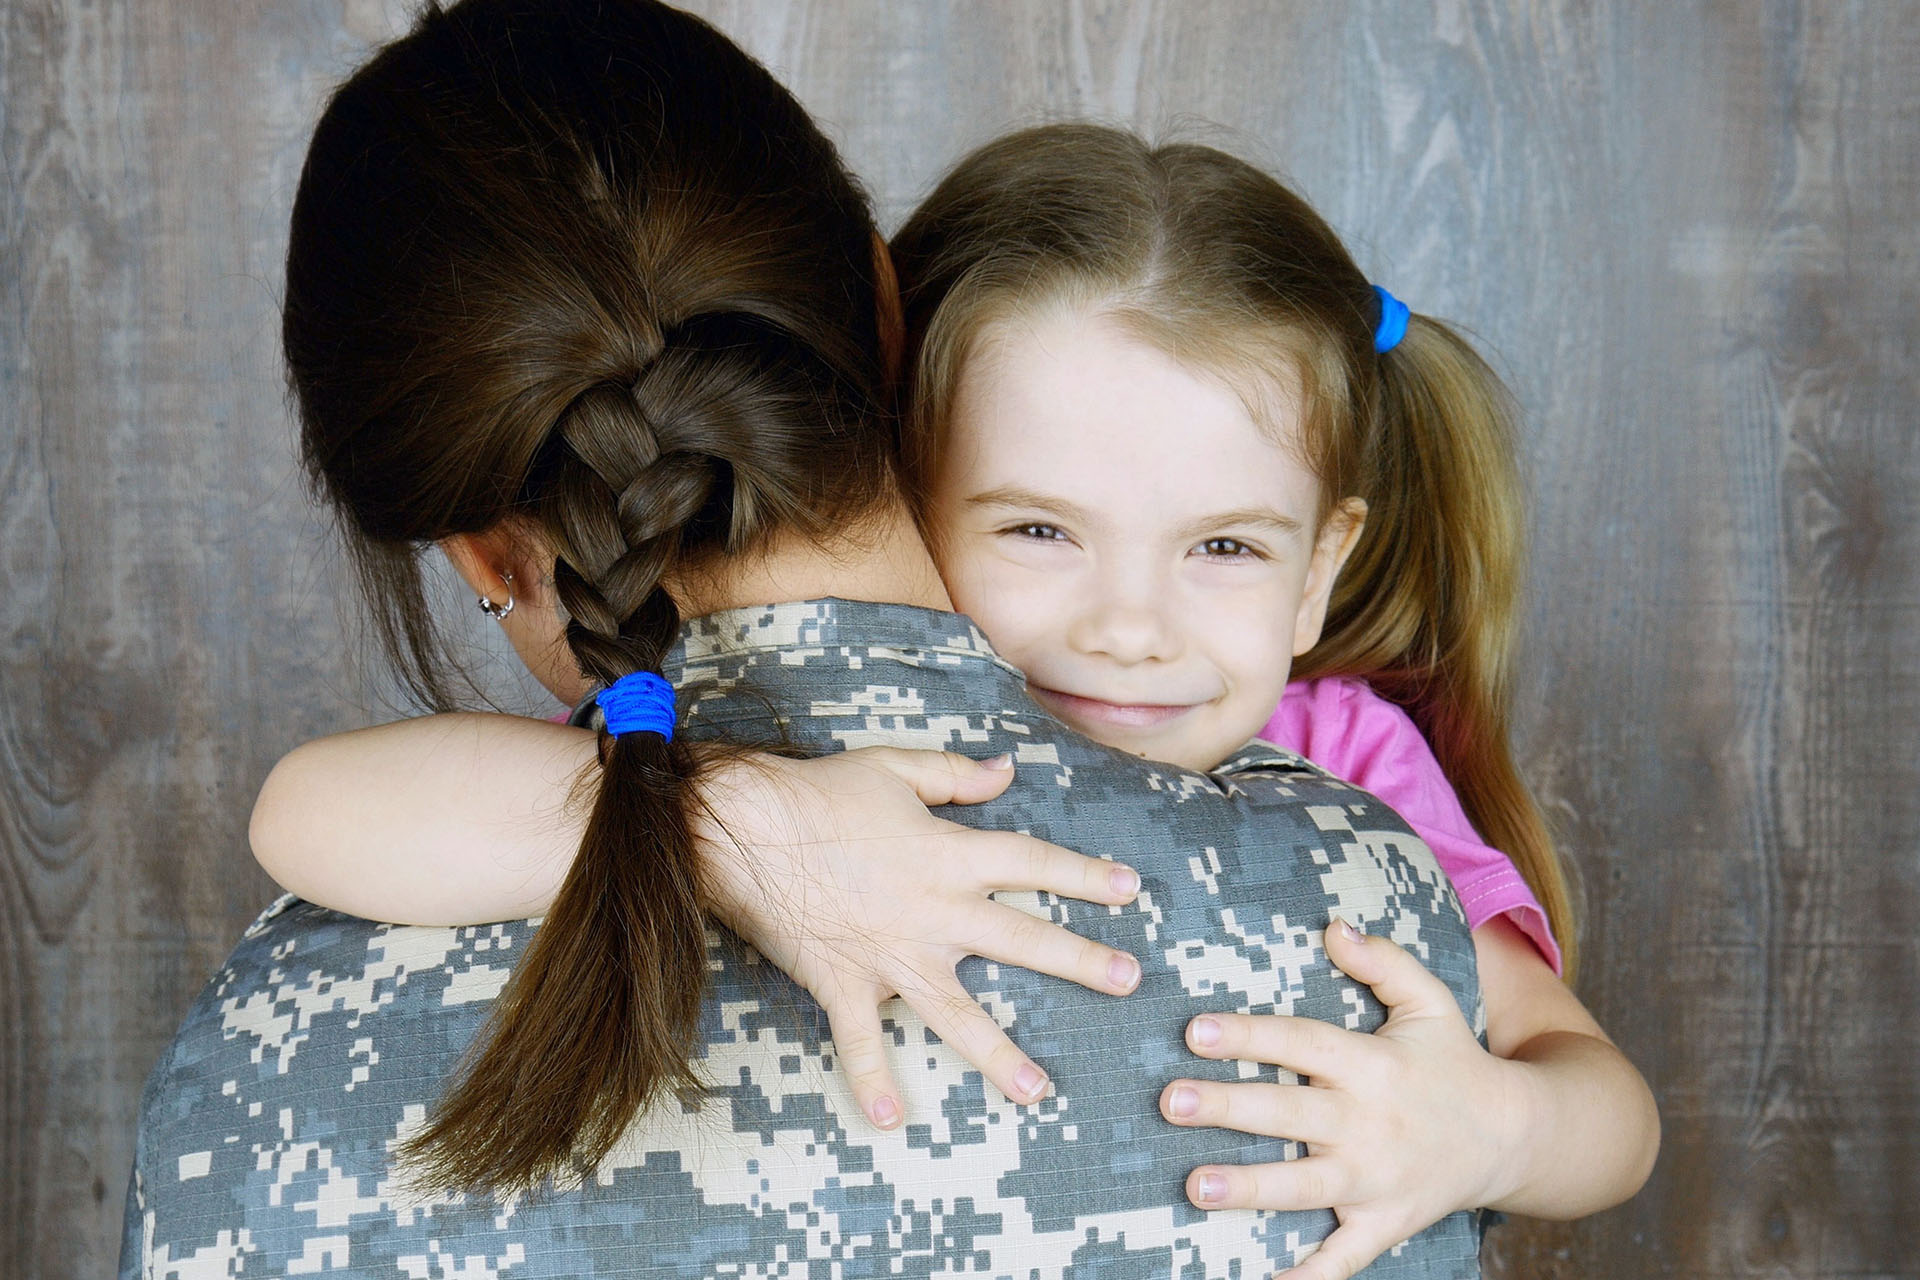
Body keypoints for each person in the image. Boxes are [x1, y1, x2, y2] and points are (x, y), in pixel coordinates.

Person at [120, 4, 1618, 1279]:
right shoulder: (1353, 889)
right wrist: (747, 828)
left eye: (1224, 547)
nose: (1127, 627)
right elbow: (314, 808)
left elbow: (1585, 1094)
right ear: (893, 349)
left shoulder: (265, 1045)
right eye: (1041, 528)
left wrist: (1505, 1126)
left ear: (470, 547)